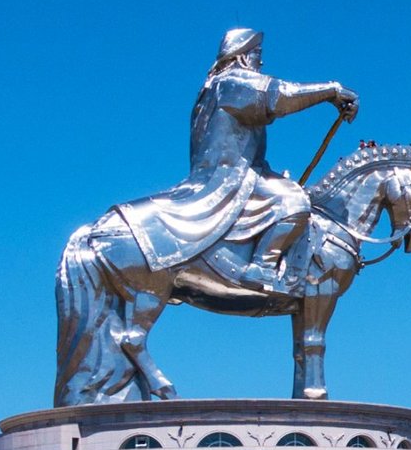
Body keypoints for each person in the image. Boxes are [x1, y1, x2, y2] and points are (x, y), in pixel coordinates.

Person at [117, 28, 359, 293]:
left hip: (235, 172)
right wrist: (331, 90)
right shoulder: (232, 82)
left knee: (288, 190)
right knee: (294, 200)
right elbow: (280, 96)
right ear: (241, 56)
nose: (261, 61)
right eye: (257, 54)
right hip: (229, 178)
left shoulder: (213, 87)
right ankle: (261, 267)